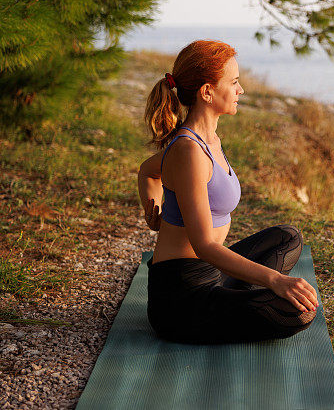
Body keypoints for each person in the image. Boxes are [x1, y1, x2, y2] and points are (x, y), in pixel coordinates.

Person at [136, 39, 318, 344]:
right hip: (182, 298)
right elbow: (205, 245)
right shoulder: (189, 151)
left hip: (211, 271)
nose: (241, 90)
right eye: (233, 82)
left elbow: (148, 170)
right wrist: (275, 280)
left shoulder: (209, 140)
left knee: (288, 238)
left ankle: (236, 295)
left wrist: (151, 210)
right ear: (207, 92)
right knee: (296, 312)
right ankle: (237, 298)